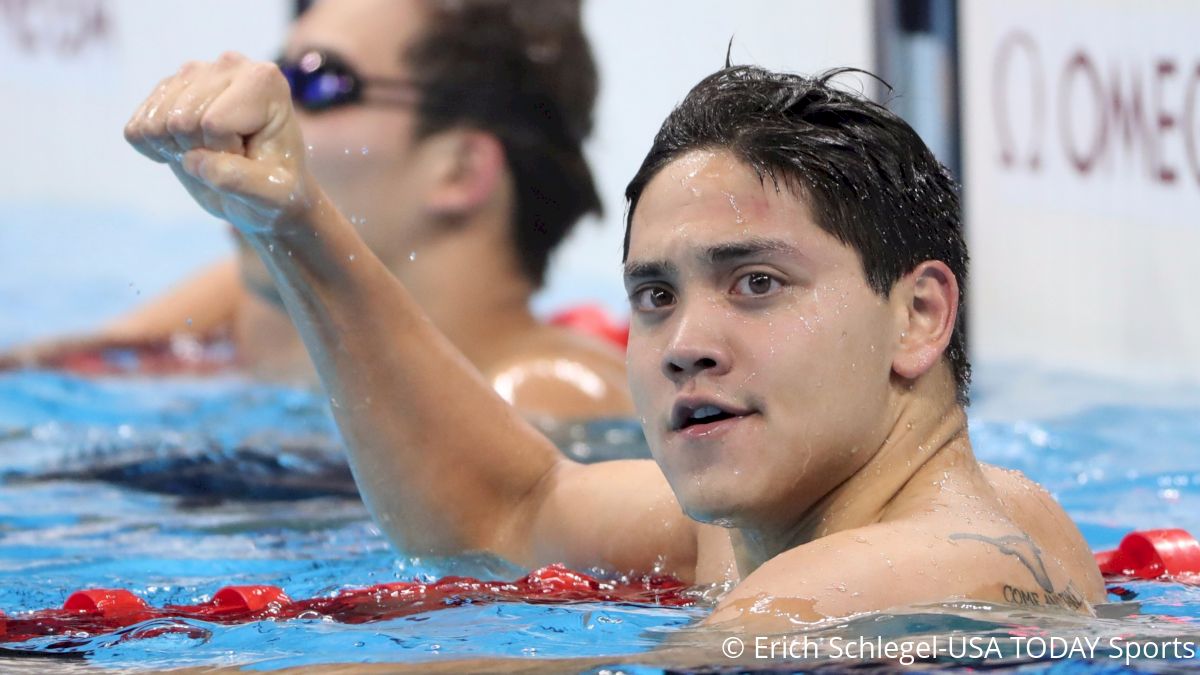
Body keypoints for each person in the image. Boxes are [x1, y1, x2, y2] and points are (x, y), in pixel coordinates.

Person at [123, 54, 1106, 628]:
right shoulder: (798, 528)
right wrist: (291, 222)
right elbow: (506, 506)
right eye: (655, 296)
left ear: (920, 316)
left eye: (755, 283)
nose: (686, 343)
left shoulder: (860, 588)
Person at [8, 0, 631, 420]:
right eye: (273, 76)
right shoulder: (271, 310)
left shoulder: (543, 399)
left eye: (316, 82)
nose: (250, 115)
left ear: (460, 169)